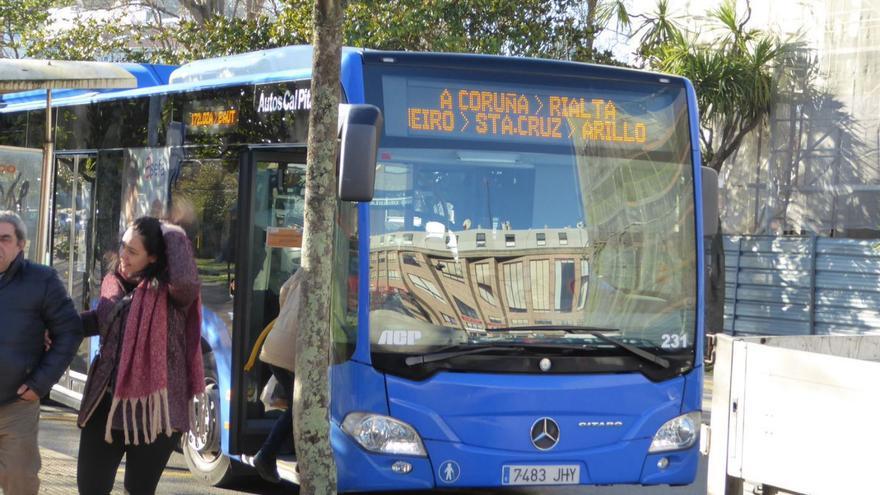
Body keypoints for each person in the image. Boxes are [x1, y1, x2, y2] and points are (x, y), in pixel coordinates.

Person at [76, 216, 204, 495]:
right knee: (90, 488)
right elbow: (102, 319)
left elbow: (185, 279)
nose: (123, 255)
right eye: (123, 246)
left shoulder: (173, 294)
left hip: (156, 412)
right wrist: (59, 326)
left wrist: (172, 232)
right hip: (106, 405)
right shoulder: (112, 283)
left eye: (133, 251)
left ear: (154, 257)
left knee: (138, 490)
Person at [0, 210, 83, 495]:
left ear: (21, 244)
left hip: (16, 406)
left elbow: (70, 331)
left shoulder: (42, 280)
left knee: (19, 482)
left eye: (5, 239)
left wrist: (39, 384)